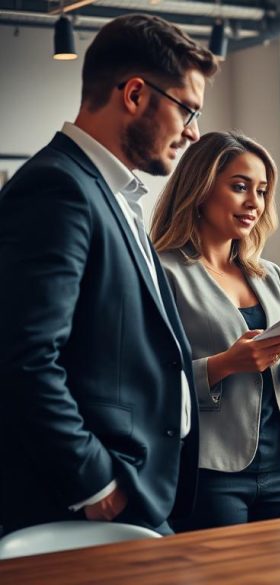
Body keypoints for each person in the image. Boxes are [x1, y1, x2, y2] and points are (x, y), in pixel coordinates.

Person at [0, 15, 217, 535]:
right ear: (136, 94)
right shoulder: (59, 189)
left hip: (137, 489)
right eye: (187, 109)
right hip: (83, 502)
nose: (193, 132)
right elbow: (23, 356)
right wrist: (96, 484)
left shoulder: (115, 194)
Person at [151, 132, 280, 530]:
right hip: (211, 469)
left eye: (262, 191)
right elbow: (150, 380)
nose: (254, 203)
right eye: (239, 187)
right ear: (199, 189)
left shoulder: (268, 276)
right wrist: (225, 364)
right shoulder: (163, 272)